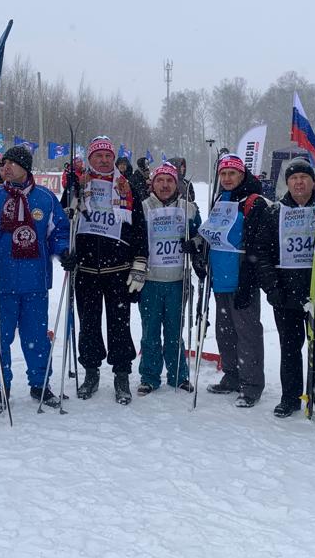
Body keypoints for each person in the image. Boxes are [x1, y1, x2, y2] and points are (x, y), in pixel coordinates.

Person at [0, 145, 71, 412]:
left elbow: (58, 232)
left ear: (25, 167)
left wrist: (65, 250)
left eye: (11, 163)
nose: (6, 168)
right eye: (3, 164)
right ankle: (0, 387)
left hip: (35, 282)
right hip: (1, 282)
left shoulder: (46, 199)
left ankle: (40, 384)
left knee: (36, 337)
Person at [253, 158, 315, 423]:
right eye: (294, 178)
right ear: (287, 183)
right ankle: (290, 397)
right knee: (290, 348)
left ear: (313, 181)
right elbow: (262, 254)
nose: (299, 182)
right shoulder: (275, 212)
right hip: (286, 292)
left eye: (304, 177)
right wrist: (272, 288)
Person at [61, 135, 147, 405]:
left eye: (108, 155)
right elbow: (64, 223)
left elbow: (139, 227)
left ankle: (122, 374)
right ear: (89, 159)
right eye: (98, 155)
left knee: (120, 325)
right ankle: (91, 371)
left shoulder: (127, 187)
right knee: (88, 324)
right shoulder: (78, 185)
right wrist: (67, 252)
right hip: (86, 269)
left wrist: (139, 261)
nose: (104, 159)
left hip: (118, 269)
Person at [200, 154, 269, 407]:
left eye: (232, 173)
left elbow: (258, 245)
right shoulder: (220, 199)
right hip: (220, 274)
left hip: (241, 276)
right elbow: (213, 232)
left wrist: (249, 280)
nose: (227, 178)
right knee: (225, 331)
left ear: (242, 175)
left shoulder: (253, 201)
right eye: (223, 174)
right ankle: (232, 374)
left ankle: (251, 384)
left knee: (247, 332)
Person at [137, 162, 201, 395]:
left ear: (177, 184)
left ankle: (178, 375)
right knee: (150, 331)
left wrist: (193, 244)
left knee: (174, 331)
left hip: (177, 280)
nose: (165, 185)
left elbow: (201, 237)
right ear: (152, 183)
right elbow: (135, 240)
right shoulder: (143, 207)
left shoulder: (189, 208)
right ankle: (150, 376)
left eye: (170, 181)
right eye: (160, 180)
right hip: (151, 281)